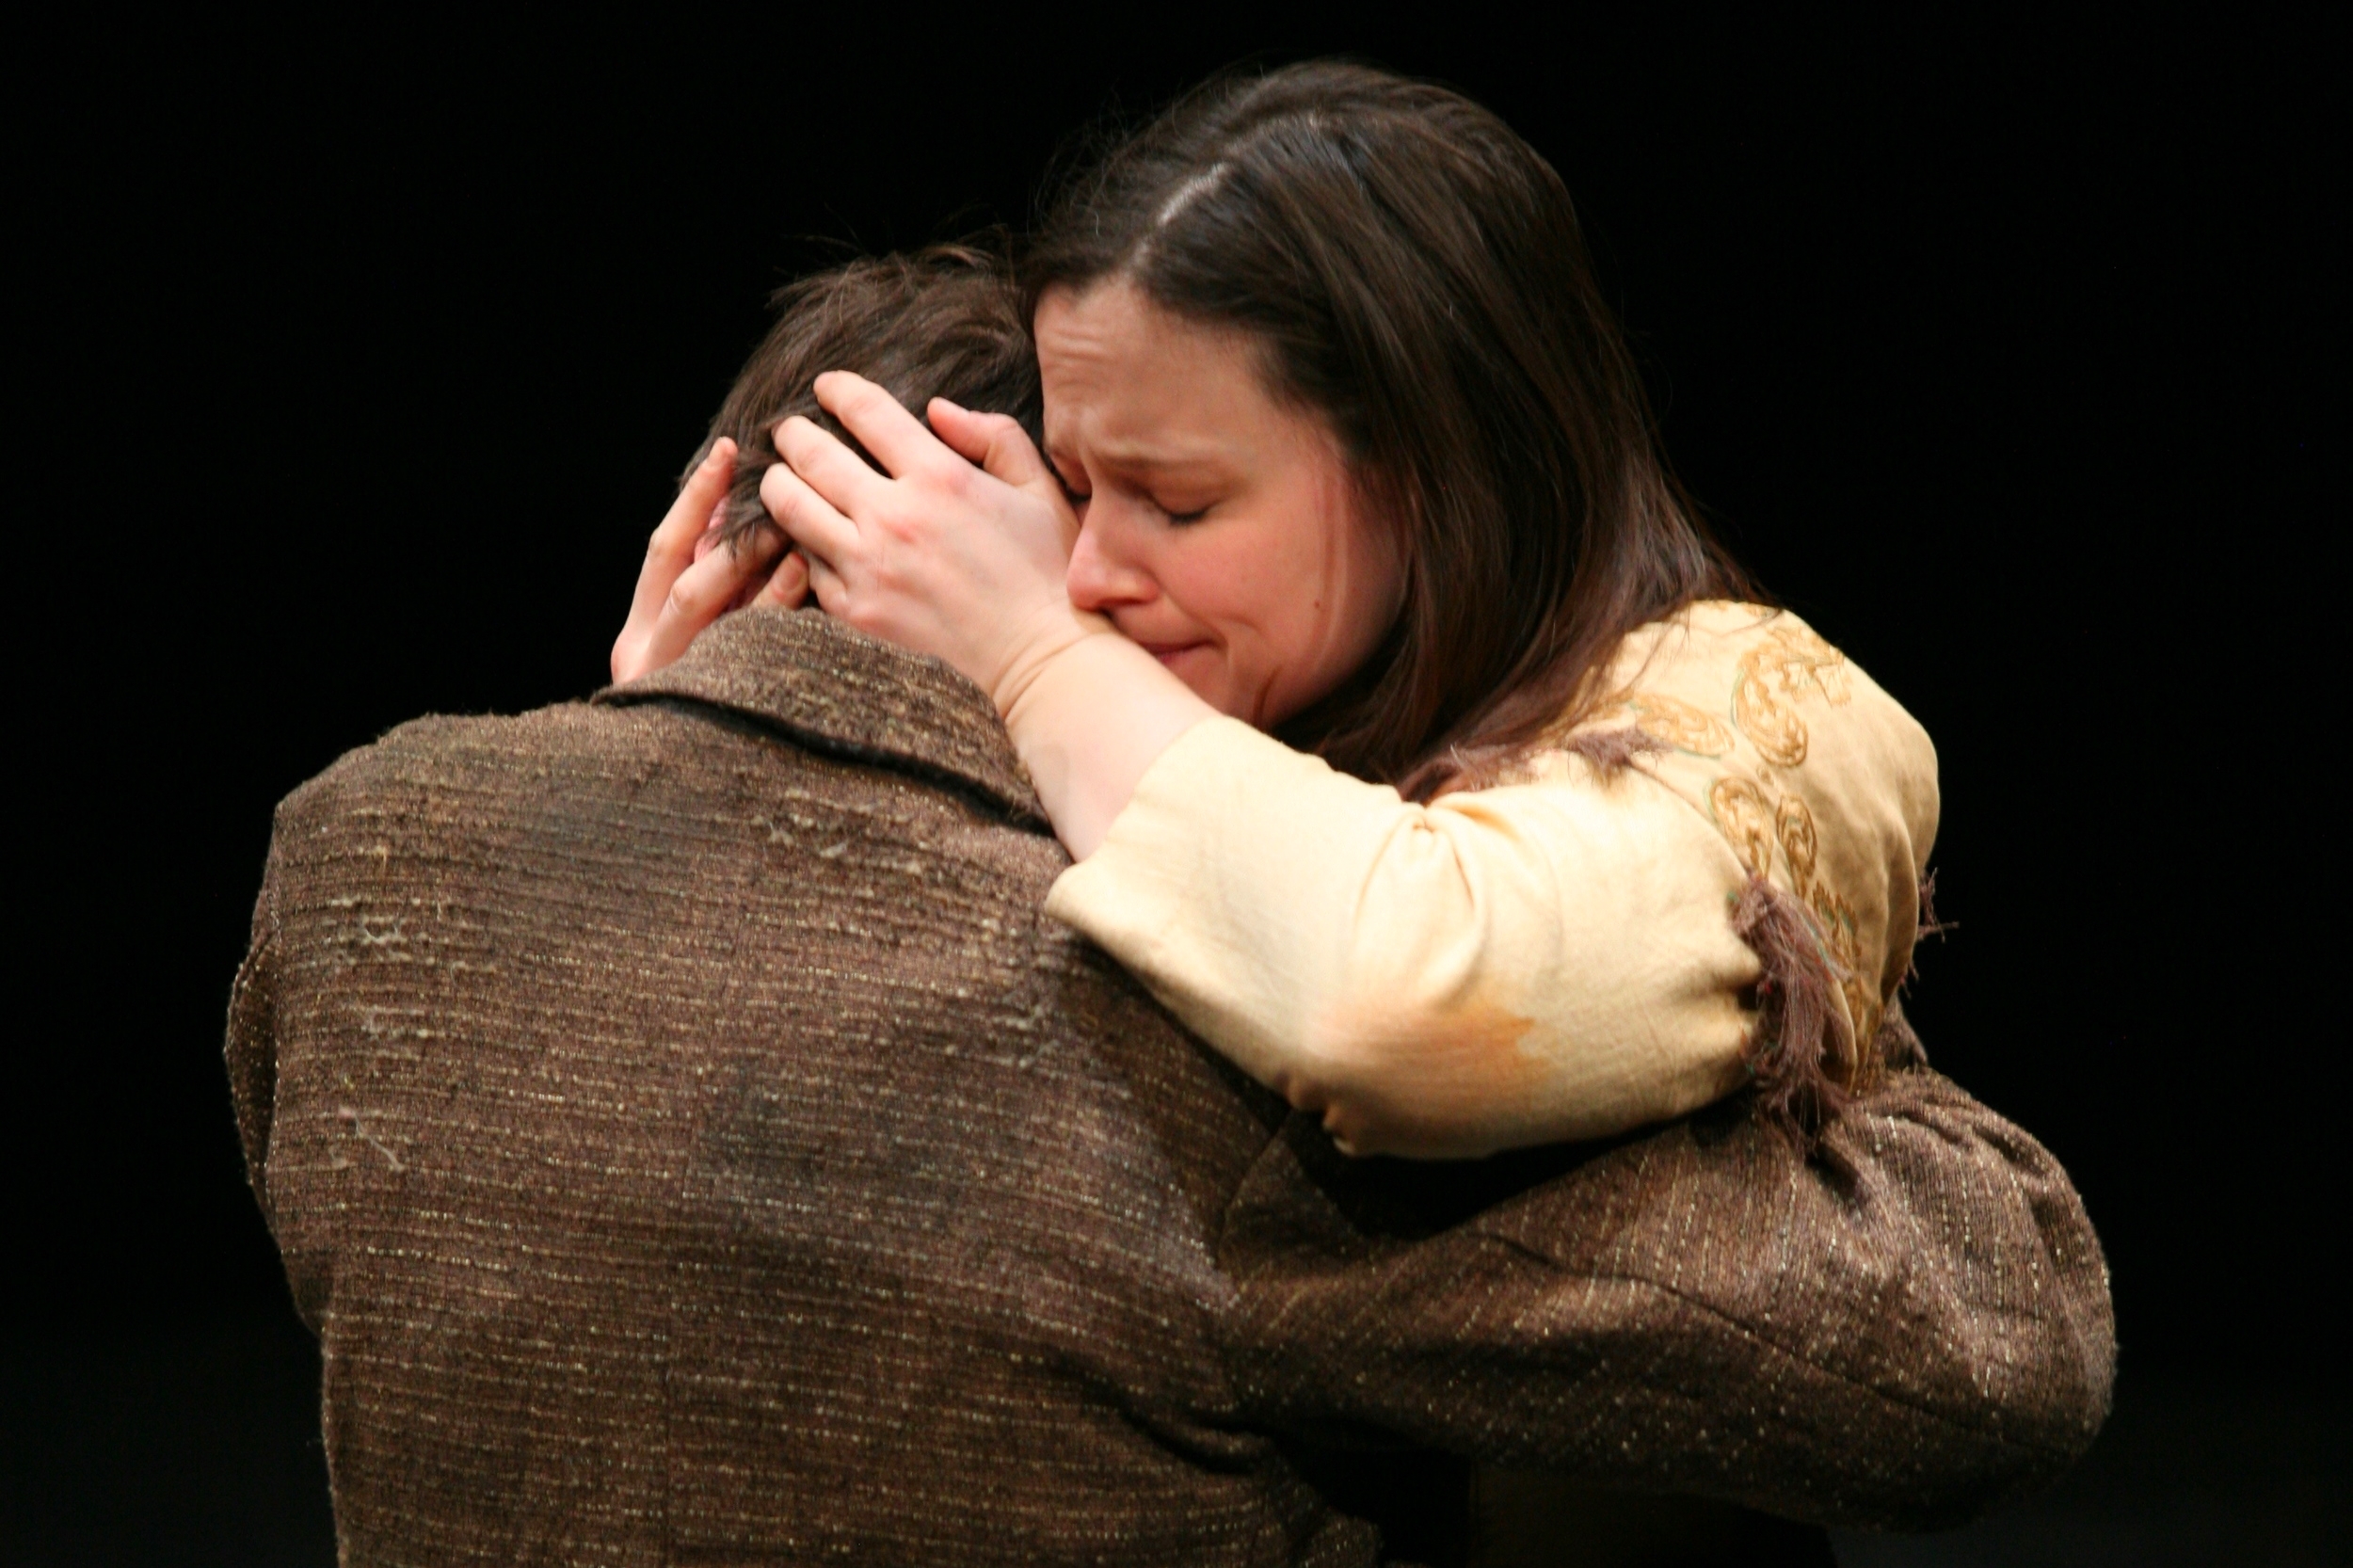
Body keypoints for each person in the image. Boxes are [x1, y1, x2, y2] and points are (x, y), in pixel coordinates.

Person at [232, 248, 2113, 1564]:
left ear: (710, 538)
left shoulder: (357, 854)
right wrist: (1762, 888)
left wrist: (658, 745)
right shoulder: (1195, 1036)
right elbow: (1977, 1344)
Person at [612, 62, 1936, 1163]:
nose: (1083, 576)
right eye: (1073, 493)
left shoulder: (1765, 707)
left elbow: (1408, 1006)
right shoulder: (1209, 698)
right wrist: (673, 761)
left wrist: (1033, 656)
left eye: (1176, 503)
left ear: (1429, 474)